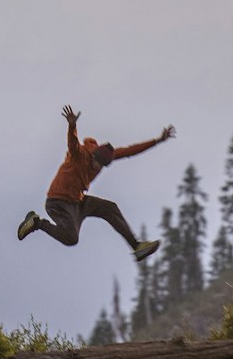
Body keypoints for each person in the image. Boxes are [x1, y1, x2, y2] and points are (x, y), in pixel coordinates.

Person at [17, 104, 175, 261]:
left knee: (110, 208)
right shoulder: (79, 155)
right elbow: (72, 142)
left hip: (78, 201)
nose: (97, 167)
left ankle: (137, 247)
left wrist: (158, 140)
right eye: (96, 163)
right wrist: (72, 125)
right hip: (58, 203)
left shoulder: (106, 156)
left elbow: (129, 151)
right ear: (93, 156)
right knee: (71, 239)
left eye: (102, 166)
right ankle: (37, 223)